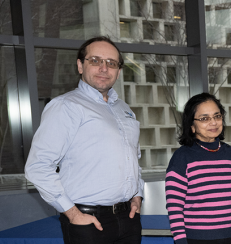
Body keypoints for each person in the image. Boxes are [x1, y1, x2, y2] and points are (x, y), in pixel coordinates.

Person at [25, 36, 143, 243]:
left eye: (111, 63)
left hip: (129, 218)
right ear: (80, 65)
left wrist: (137, 196)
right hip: (88, 221)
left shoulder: (125, 110)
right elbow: (38, 166)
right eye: (95, 60)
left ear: (119, 71)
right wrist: (73, 214)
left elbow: (133, 158)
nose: (104, 68)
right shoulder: (65, 106)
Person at [165, 93, 231, 244]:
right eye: (204, 118)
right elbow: (175, 208)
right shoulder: (182, 157)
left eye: (217, 116)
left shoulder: (230, 153)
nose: (213, 122)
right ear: (192, 126)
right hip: (197, 240)